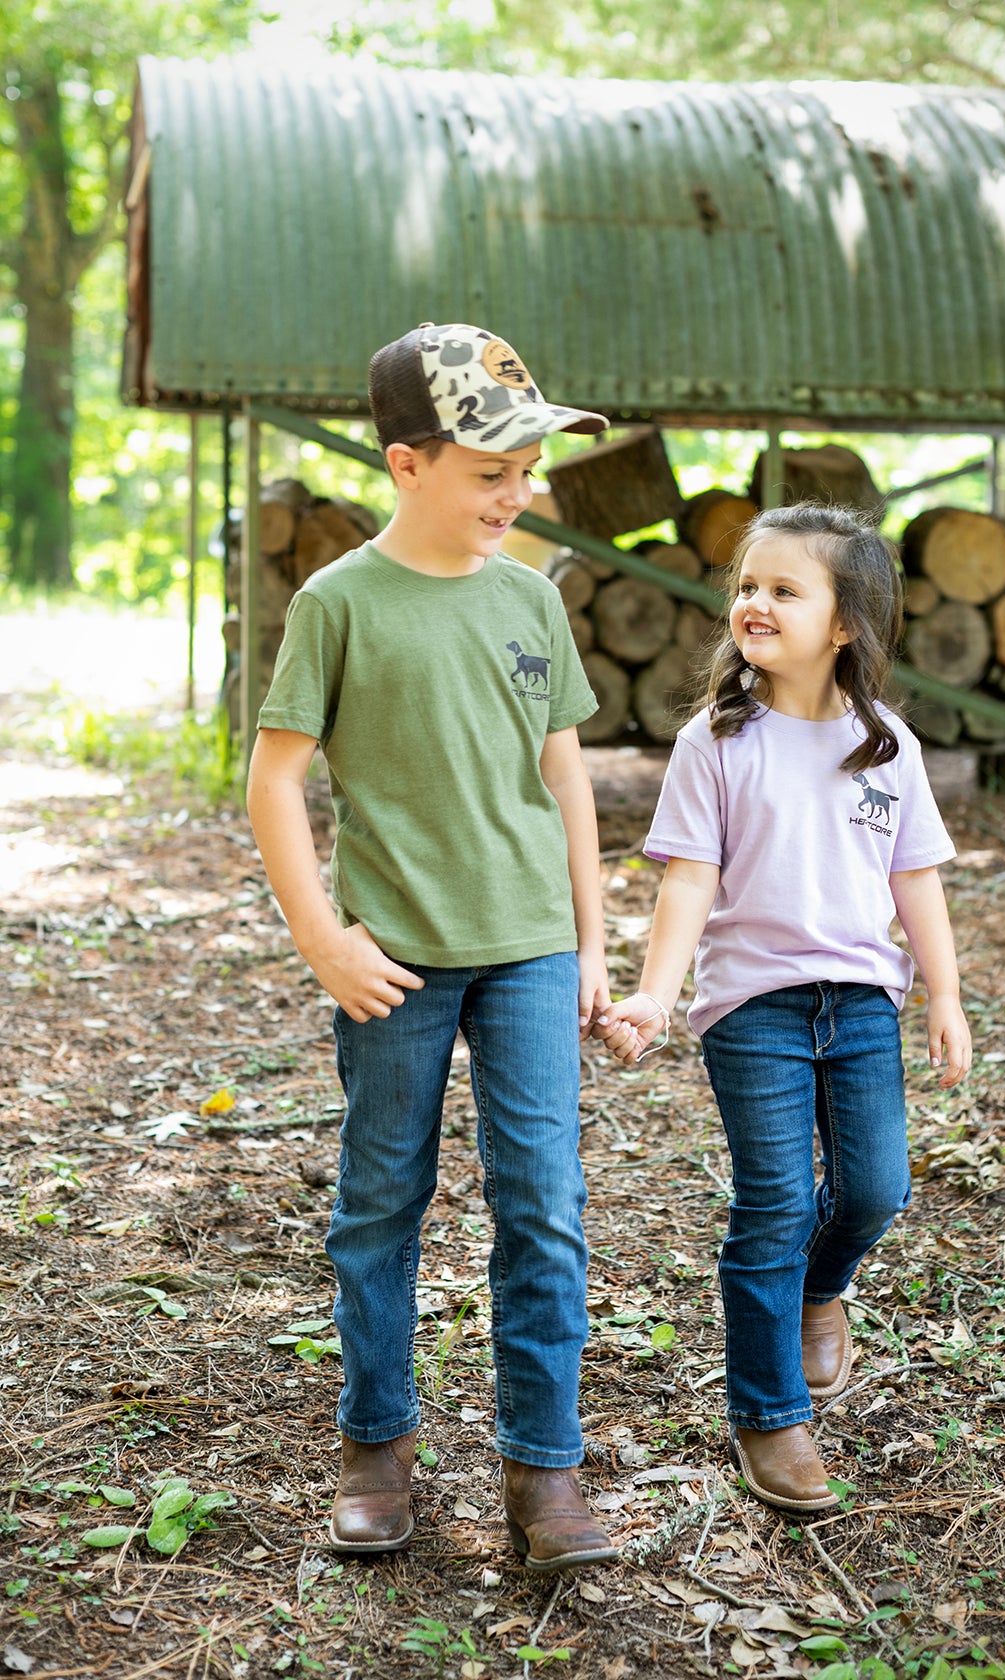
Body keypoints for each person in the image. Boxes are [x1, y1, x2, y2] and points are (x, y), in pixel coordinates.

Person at [247, 322, 619, 1570]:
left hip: (527, 949)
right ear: (408, 465)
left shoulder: (531, 600)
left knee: (544, 1208)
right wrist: (323, 939)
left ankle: (545, 1470)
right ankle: (376, 1444)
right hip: (392, 958)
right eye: (491, 471)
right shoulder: (337, 603)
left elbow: (564, 775)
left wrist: (592, 941)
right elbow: (275, 778)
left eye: (529, 471)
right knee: (379, 1202)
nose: (519, 494)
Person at [598, 503, 972, 1516]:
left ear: (844, 622)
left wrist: (944, 995)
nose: (754, 604)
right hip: (752, 1009)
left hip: (859, 1004)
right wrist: (653, 995)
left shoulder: (883, 743)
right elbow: (686, 883)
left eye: (783, 589)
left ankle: (821, 1290)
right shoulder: (714, 741)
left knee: (872, 1192)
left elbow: (918, 881)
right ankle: (769, 1415)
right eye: (746, 587)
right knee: (775, 1203)